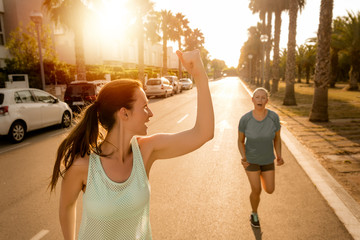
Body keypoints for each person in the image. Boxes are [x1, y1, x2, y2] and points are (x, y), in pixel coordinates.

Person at [49, 49, 214, 240]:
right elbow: (66, 207)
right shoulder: (83, 166)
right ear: (124, 114)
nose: (151, 113)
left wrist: (200, 74)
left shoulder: (147, 150)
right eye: (144, 107)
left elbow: (203, 133)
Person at [237, 87, 284, 228]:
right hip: (251, 160)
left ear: (267, 101)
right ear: (252, 100)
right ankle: (254, 213)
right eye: (257, 97)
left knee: (270, 189)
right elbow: (240, 141)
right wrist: (244, 157)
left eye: (263, 97)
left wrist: (279, 155)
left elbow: (277, 138)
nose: (260, 100)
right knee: (256, 190)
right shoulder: (245, 119)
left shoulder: (273, 117)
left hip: (268, 160)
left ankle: (262, 176)